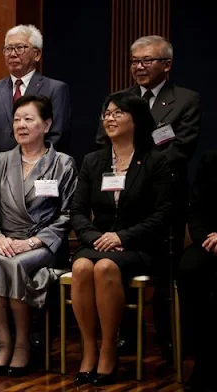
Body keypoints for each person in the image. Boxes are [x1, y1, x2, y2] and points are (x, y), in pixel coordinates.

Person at [95, 36, 202, 359]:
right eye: (134, 61)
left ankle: (168, 337)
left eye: (147, 61)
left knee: (164, 267)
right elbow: (103, 141)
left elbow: (180, 148)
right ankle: (125, 334)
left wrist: (139, 171)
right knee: (116, 259)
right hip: (120, 200)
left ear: (166, 64)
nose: (139, 67)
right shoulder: (120, 99)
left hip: (163, 197)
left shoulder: (185, 99)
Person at [70, 91, 173, 386]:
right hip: (98, 242)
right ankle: (89, 349)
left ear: (136, 120)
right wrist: (95, 236)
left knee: (103, 267)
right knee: (81, 267)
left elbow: (163, 213)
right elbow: (77, 211)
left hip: (137, 246)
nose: (110, 118)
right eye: (107, 113)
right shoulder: (93, 161)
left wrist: (122, 237)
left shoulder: (154, 161)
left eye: (118, 113)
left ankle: (109, 348)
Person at [0, 95, 77, 377]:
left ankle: (22, 344)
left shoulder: (63, 164)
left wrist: (32, 242)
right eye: (17, 119)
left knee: (16, 264)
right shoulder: (2, 161)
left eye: (29, 119)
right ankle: (4, 342)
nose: (21, 125)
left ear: (47, 124)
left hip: (42, 242)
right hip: (6, 240)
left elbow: (68, 214)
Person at [0, 24, 71, 172]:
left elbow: (57, 136)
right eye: (8, 49)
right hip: (0, 175)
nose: (12, 54)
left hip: (41, 174)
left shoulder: (55, 89)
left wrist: (33, 170)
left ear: (37, 54)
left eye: (20, 48)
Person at [177, 150, 217, 392]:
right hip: (210, 241)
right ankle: (201, 360)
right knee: (189, 269)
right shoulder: (211, 158)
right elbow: (196, 208)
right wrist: (206, 239)